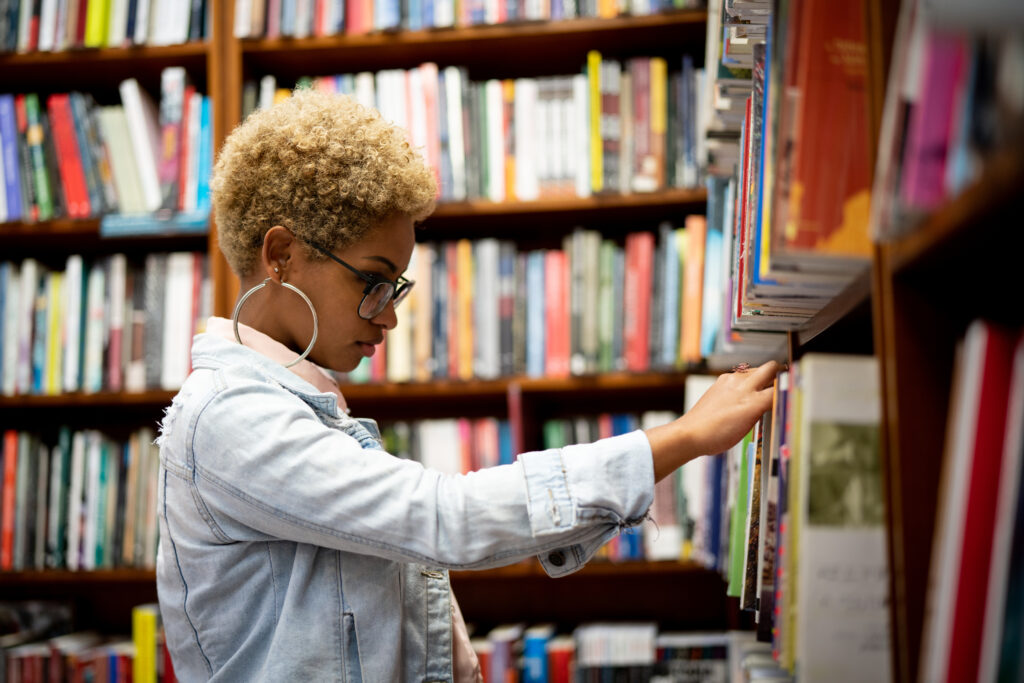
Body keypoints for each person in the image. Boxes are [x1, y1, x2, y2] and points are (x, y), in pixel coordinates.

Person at [155, 88, 779, 682]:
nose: (389, 315)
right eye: (372, 280)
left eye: (396, 286)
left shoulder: (296, 401)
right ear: (282, 255)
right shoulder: (229, 416)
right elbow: (442, 518)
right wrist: (686, 437)